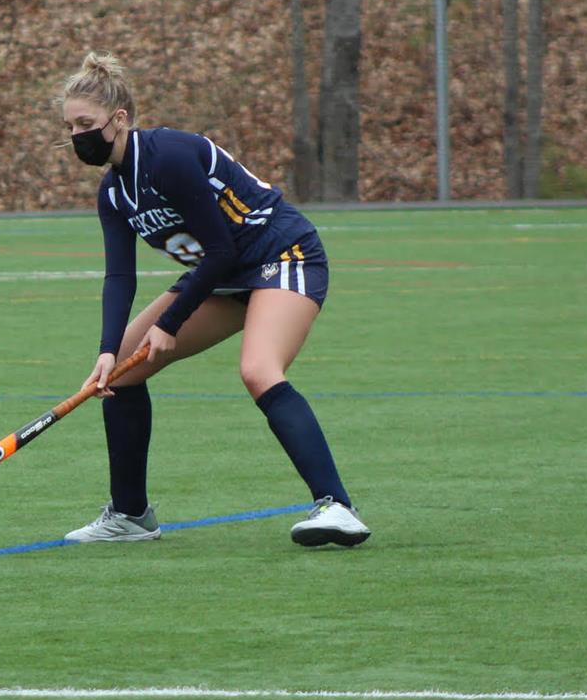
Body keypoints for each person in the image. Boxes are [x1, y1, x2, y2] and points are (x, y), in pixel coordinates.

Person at [55, 51, 369, 549]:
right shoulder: (114, 192)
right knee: (121, 376)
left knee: (259, 369)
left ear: (119, 120)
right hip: (221, 277)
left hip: (280, 254)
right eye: (70, 126)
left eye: (86, 124)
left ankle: (337, 506)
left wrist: (171, 322)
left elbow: (221, 249)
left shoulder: (169, 157)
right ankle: (131, 514)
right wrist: (107, 350)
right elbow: (119, 276)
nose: (77, 136)